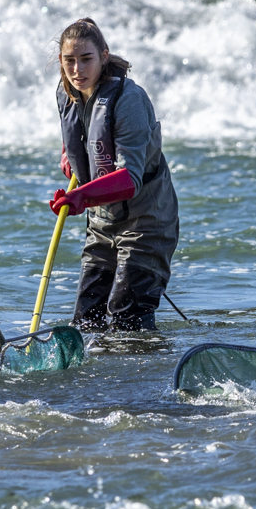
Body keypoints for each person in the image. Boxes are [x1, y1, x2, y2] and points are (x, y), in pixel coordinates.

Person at [47, 18, 180, 331]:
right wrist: (70, 163)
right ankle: (99, 381)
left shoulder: (128, 100)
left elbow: (129, 180)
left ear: (104, 56)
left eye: (86, 59)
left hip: (146, 222)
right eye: (69, 61)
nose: (77, 70)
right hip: (102, 224)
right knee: (86, 322)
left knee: (127, 319)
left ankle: (148, 377)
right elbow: (75, 148)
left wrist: (80, 196)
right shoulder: (67, 94)